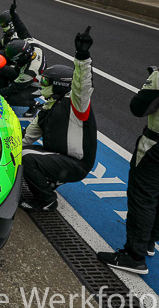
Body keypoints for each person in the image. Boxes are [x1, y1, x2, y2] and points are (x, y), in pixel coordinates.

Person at [19, 28, 96, 213]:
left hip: (77, 163)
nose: (41, 84)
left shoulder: (76, 103)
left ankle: (47, 201)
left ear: (60, 84)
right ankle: (49, 180)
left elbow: (82, 84)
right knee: (18, 152)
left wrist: (83, 56)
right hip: (59, 157)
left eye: (46, 82)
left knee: (26, 159)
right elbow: (26, 138)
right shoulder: (47, 108)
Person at [98, 65, 159, 275]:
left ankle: (134, 256)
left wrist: (152, 79)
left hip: (155, 146)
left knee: (142, 197)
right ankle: (149, 241)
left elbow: (138, 108)